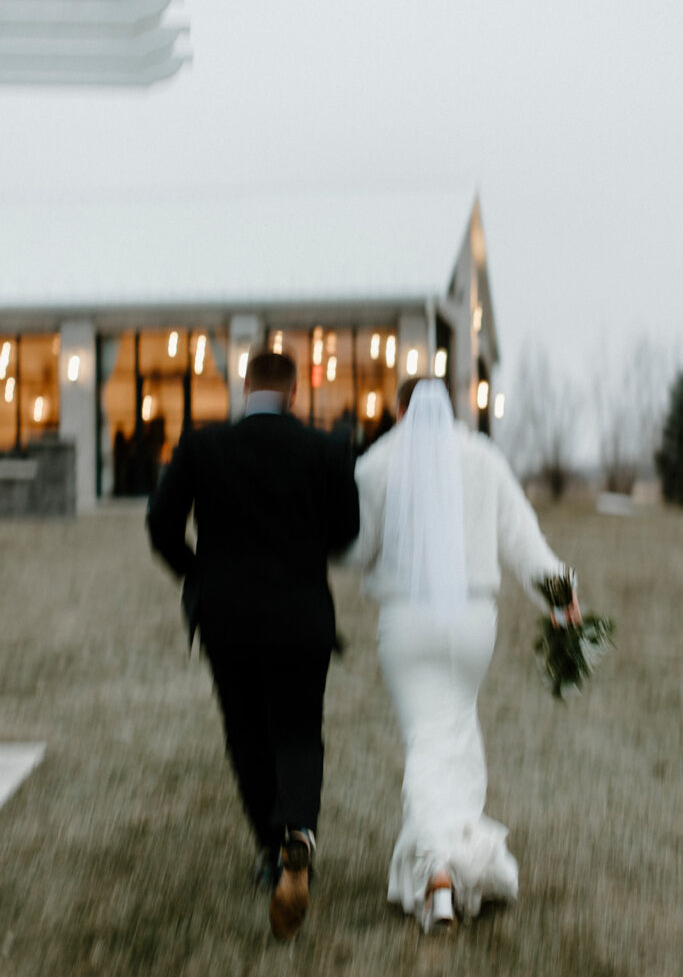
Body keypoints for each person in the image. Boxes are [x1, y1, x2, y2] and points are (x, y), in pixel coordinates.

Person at [345, 377, 580, 933]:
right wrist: (563, 599)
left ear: (400, 411)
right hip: (473, 623)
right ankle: (459, 854)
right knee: (455, 735)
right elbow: (525, 542)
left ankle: (438, 871)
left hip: (407, 623)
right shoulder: (482, 459)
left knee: (427, 742)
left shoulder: (377, 465)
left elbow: (356, 549)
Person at [146, 344, 360, 941]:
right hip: (300, 614)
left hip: (227, 616)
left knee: (245, 732)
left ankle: (271, 850)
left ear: (245, 388)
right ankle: (297, 831)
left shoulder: (202, 446)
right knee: (299, 729)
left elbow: (160, 525)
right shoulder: (327, 449)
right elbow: (347, 530)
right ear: (294, 393)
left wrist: (198, 572)